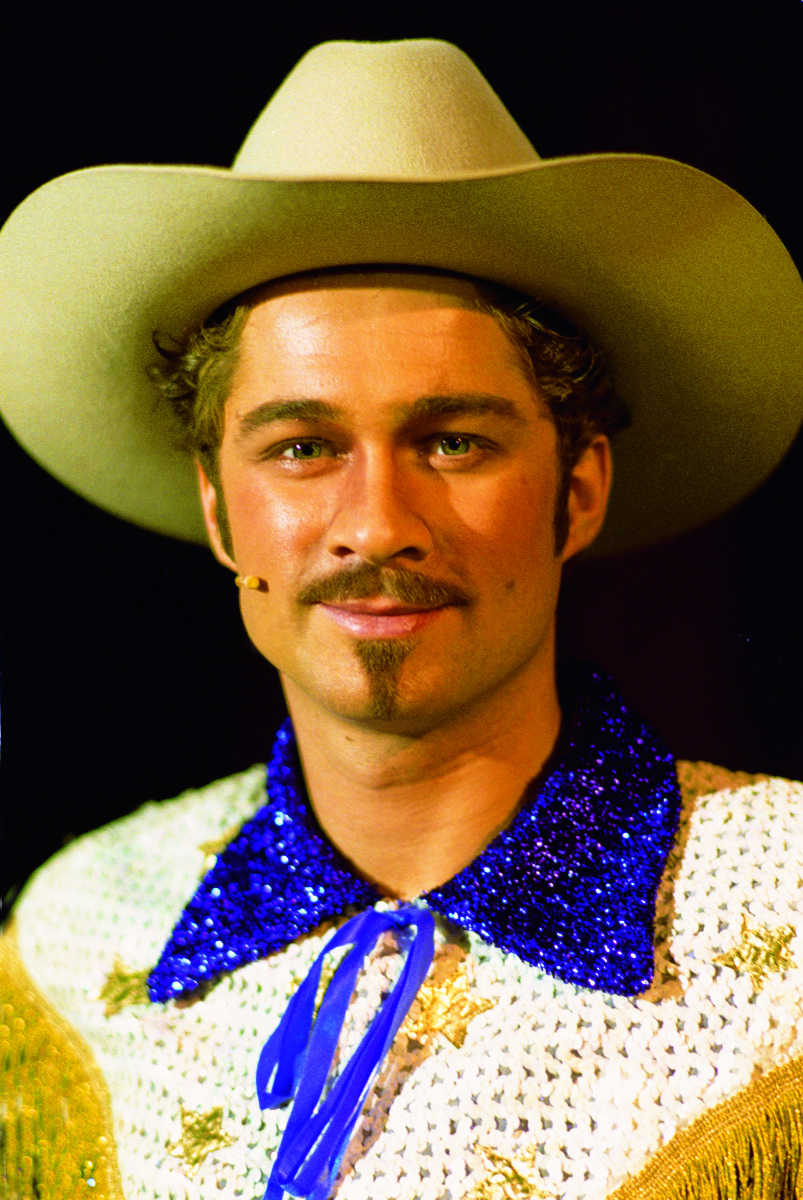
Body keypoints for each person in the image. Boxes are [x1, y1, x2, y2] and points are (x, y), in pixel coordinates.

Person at [1, 38, 803, 1200]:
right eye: (302, 447)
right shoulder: (78, 933)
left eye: (453, 441)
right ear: (220, 510)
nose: (375, 524)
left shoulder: (784, 906)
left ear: (576, 491)